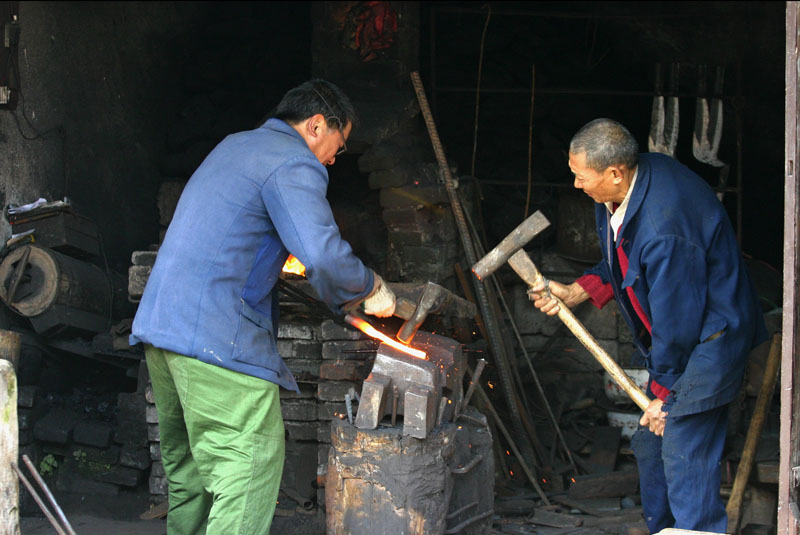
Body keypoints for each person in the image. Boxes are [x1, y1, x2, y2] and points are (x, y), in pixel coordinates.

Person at [130, 79, 397, 535]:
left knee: (191, 477)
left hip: (163, 330)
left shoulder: (235, 145)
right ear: (316, 125)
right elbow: (325, 255)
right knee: (248, 470)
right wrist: (370, 286)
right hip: (214, 338)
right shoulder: (292, 161)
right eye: (339, 144)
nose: (335, 158)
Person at [529, 118, 766, 533]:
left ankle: (697, 529)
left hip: (710, 340)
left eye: (581, 177)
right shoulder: (625, 189)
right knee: (651, 447)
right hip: (686, 333)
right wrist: (577, 291)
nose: (577, 185)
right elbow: (621, 260)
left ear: (614, 173)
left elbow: (679, 326)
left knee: (682, 450)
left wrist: (667, 397)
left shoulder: (664, 231)